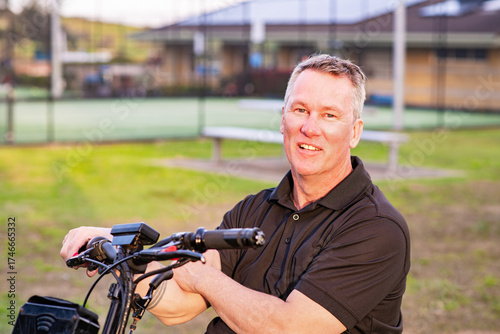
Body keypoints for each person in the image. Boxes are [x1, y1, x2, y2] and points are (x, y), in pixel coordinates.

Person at [61, 54, 410, 333]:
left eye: (329, 115)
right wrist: (120, 253)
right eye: (300, 110)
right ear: (283, 119)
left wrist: (198, 273)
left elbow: (290, 328)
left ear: (354, 132)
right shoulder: (254, 209)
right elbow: (178, 305)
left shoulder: (376, 229)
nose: (309, 127)